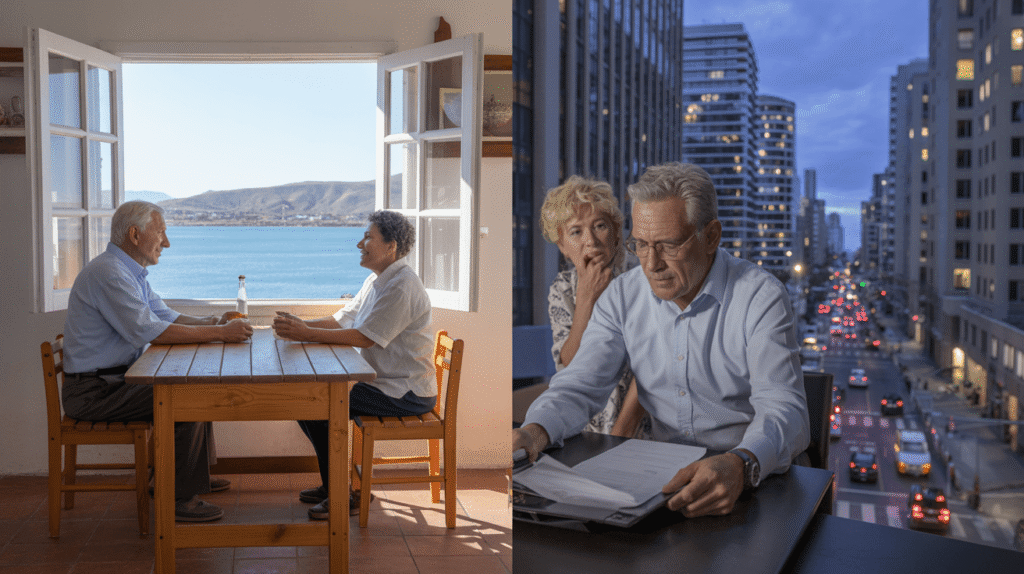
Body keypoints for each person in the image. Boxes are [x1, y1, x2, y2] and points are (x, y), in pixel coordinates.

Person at [515, 163, 809, 518]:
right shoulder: (622, 295)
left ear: (711, 236)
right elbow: (580, 383)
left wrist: (743, 463)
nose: (651, 264)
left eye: (668, 245)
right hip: (660, 478)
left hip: (747, 476)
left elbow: (784, 409)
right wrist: (534, 431)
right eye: (641, 245)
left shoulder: (760, 296)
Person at [62, 200, 254, 522]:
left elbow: (164, 315)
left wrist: (213, 322)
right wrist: (220, 333)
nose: (166, 242)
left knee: (194, 386)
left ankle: (190, 478)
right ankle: (179, 497)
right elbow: (148, 330)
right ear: (135, 235)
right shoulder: (109, 273)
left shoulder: (128, 271)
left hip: (112, 382)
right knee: (186, 395)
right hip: (94, 392)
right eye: (161, 232)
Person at [273, 210, 435, 519]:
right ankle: (334, 486)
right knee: (310, 404)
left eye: (368, 237)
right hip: (384, 385)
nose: (360, 244)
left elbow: (364, 338)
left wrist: (305, 334)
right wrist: (298, 326)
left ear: (391, 246)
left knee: (319, 407)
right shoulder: (377, 280)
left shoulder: (401, 287)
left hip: (406, 392)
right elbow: (340, 321)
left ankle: (339, 493)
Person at [540, 175, 651, 438]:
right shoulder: (562, 288)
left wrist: (621, 431)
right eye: (576, 232)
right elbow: (569, 366)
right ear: (562, 246)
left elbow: (653, 364)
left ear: (616, 233)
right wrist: (586, 298)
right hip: (587, 429)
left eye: (600, 226)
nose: (590, 240)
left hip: (643, 426)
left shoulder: (644, 279)